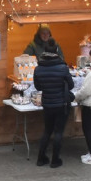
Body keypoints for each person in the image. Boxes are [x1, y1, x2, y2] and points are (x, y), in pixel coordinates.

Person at [32, 38, 73, 168]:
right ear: (56, 51)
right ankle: (55, 160)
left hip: (47, 104)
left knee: (47, 131)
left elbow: (38, 87)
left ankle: (41, 158)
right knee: (59, 132)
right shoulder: (63, 67)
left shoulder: (38, 69)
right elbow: (71, 85)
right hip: (61, 104)